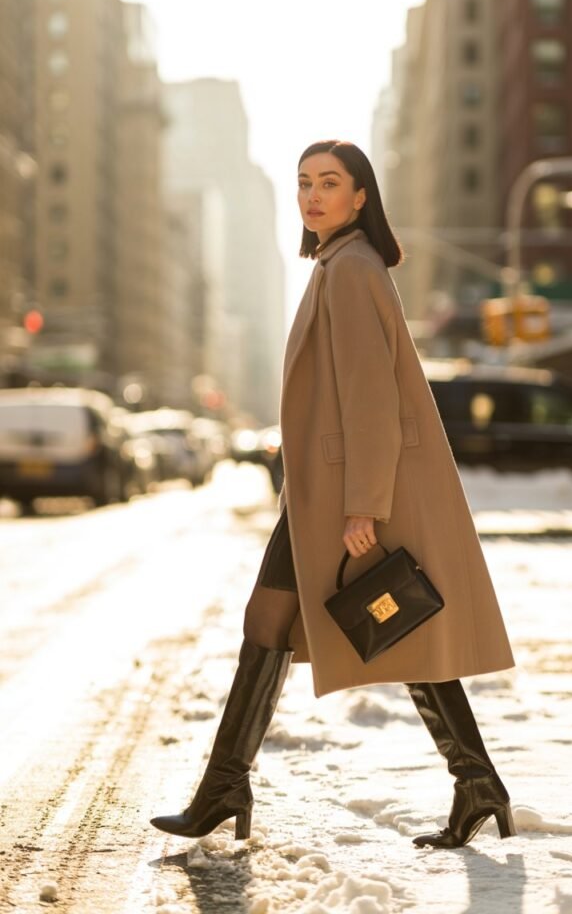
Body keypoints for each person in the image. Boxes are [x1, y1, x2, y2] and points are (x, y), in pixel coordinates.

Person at [151, 140, 516, 850]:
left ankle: (227, 786)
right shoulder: (337, 264)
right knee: (332, 623)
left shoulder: (350, 268)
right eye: (304, 183)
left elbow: (371, 396)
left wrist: (363, 505)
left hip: (344, 494)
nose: (312, 196)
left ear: (360, 197)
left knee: (370, 622)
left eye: (329, 183)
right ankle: (471, 780)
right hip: (322, 494)